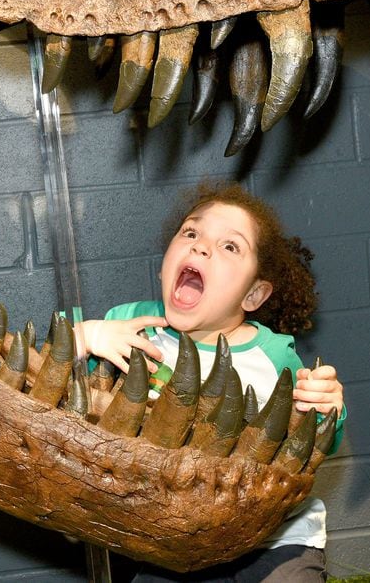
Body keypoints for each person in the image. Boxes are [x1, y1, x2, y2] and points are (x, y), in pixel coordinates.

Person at [73, 182, 346, 583]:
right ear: (165, 264)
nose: (201, 247)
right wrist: (88, 335)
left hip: (270, 543)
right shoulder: (126, 323)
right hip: (171, 543)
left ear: (253, 294)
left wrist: (329, 409)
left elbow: (316, 438)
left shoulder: (274, 357)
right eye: (191, 233)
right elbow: (50, 372)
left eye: (230, 246)